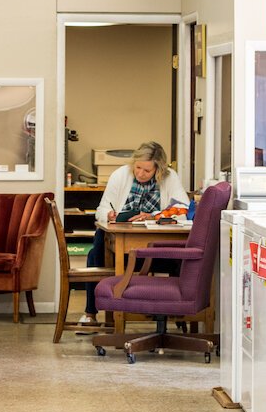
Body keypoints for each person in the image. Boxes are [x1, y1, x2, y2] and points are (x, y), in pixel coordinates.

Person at [77, 141, 189, 330]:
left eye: (147, 171)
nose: (140, 173)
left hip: (157, 249)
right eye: (138, 168)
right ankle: (91, 313)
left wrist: (153, 216)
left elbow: (182, 209)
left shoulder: (170, 178)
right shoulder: (120, 175)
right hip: (123, 246)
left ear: (159, 169)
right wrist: (109, 215)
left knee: (181, 258)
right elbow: (101, 209)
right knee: (96, 251)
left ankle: (172, 311)